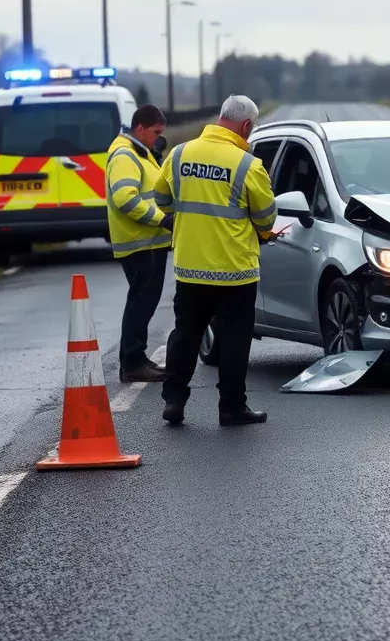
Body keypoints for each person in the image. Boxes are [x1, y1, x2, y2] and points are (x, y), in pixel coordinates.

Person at [154, 95, 277, 426]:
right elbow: (265, 219)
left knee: (185, 334)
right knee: (234, 340)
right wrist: (265, 234)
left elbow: (161, 199)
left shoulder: (179, 154)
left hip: (190, 267)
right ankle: (231, 407)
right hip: (234, 272)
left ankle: (174, 400)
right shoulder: (248, 165)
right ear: (247, 126)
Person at [105, 104, 174, 384]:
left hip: (147, 243)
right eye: (156, 133)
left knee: (144, 301)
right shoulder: (125, 155)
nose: (158, 139)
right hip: (138, 243)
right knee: (141, 302)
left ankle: (135, 358)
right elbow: (125, 199)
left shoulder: (139, 152)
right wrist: (161, 219)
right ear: (140, 128)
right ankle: (132, 363)